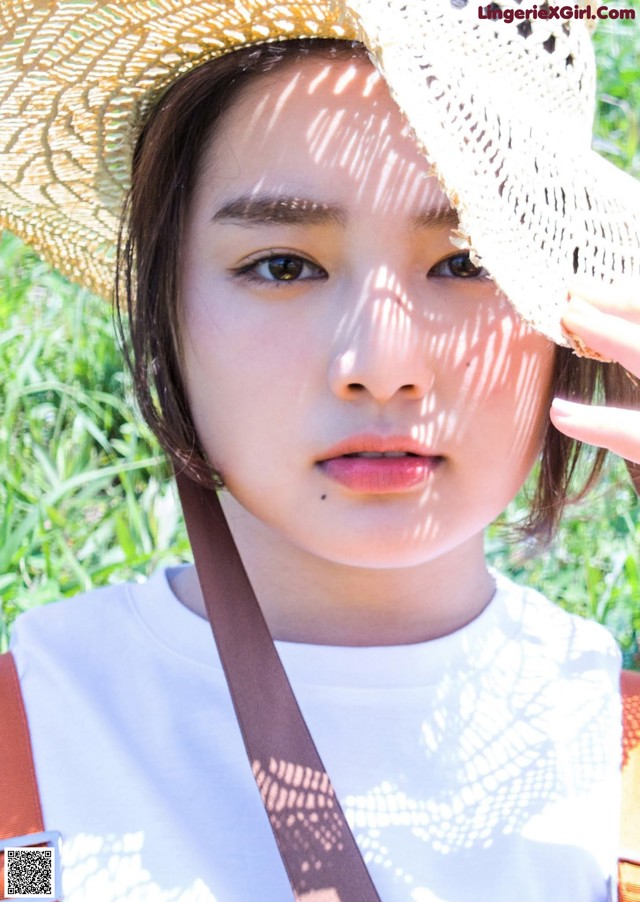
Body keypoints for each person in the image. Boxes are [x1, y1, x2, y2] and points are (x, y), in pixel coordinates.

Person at [1, 2, 639, 901]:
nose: (379, 367)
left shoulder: (623, 781)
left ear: (568, 318)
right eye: (283, 265)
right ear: (164, 305)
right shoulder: (29, 773)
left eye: (468, 263)